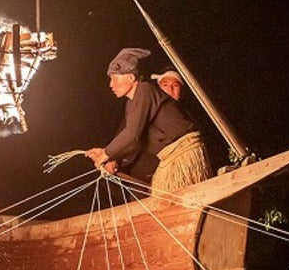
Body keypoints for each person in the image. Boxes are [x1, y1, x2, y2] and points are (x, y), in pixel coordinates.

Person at [85, 48, 211, 193]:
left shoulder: (145, 90)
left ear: (131, 78)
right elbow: (136, 142)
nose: (111, 85)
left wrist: (106, 153)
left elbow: (132, 134)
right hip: (169, 158)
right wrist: (110, 155)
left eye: (115, 78)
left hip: (182, 154)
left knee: (169, 202)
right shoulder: (132, 103)